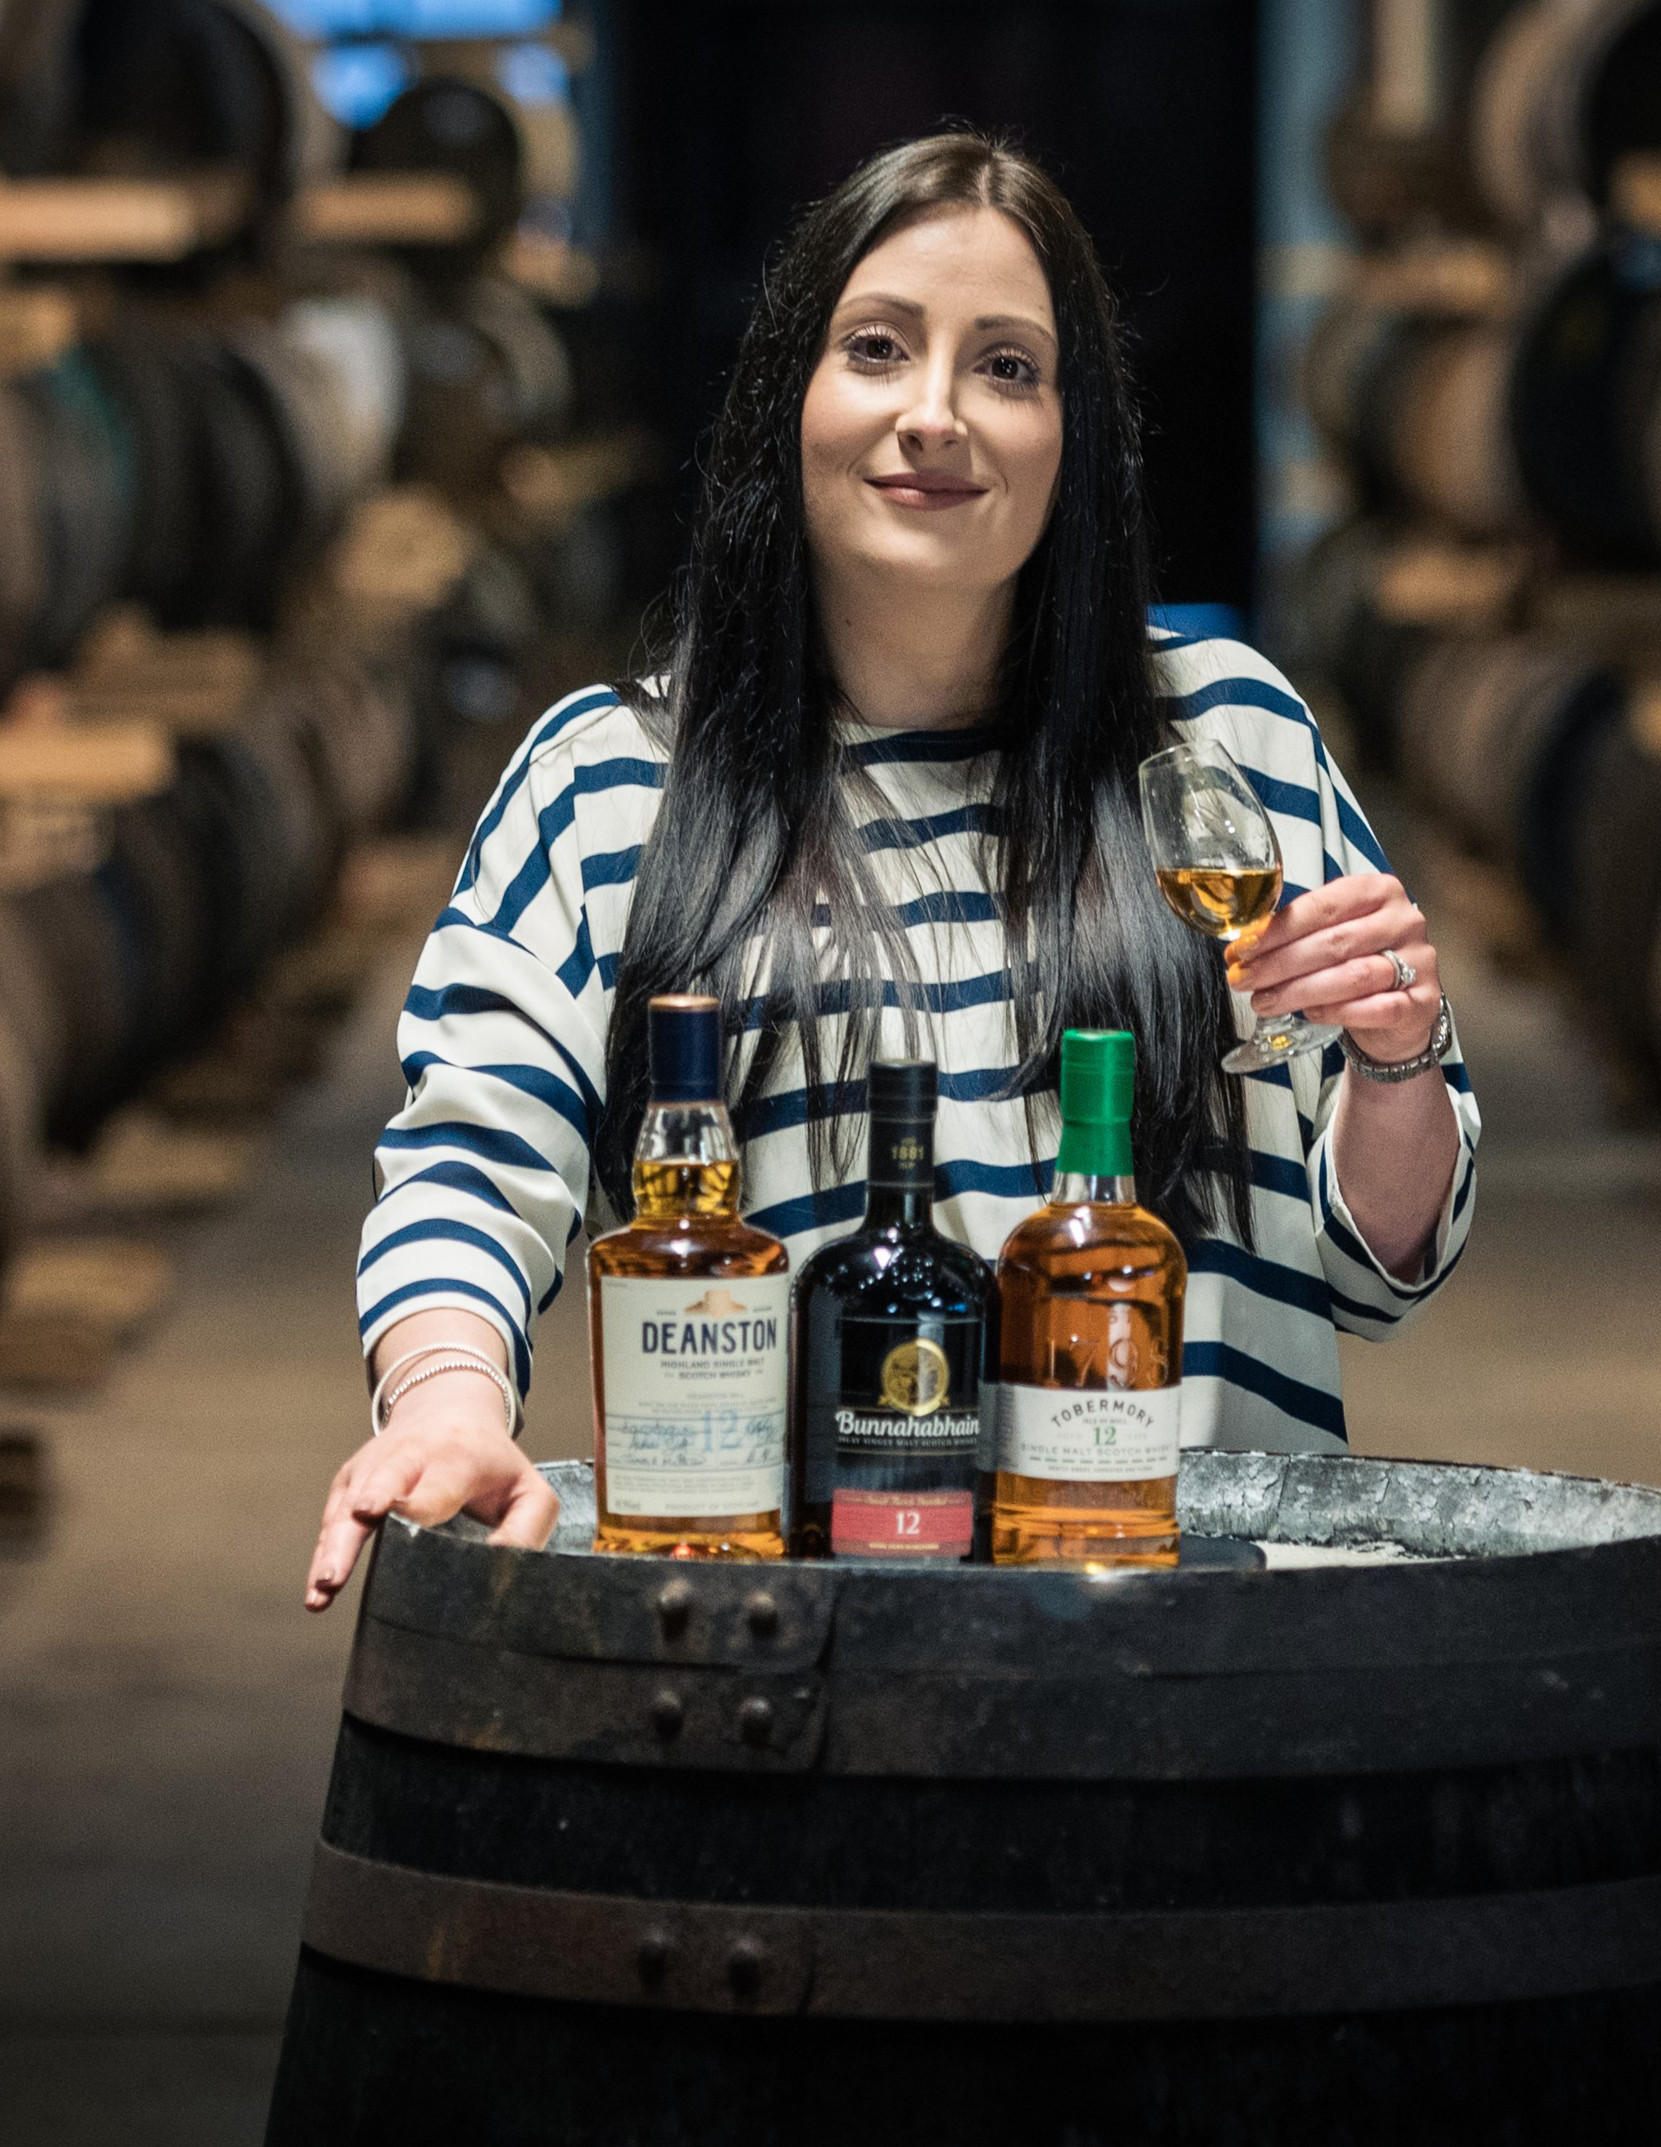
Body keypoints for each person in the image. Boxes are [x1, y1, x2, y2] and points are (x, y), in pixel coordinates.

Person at [306, 132, 1477, 1610]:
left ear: (1075, 436)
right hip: (791, 1665)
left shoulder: (1221, 743)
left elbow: (1381, 1273)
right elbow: (474, 1164)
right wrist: (446, 1402)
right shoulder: (611, 786)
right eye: (877, 349)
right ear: (789, 399)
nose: (934, 415)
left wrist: (1394, 1057)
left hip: (1203, 1656)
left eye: (1006, 367)